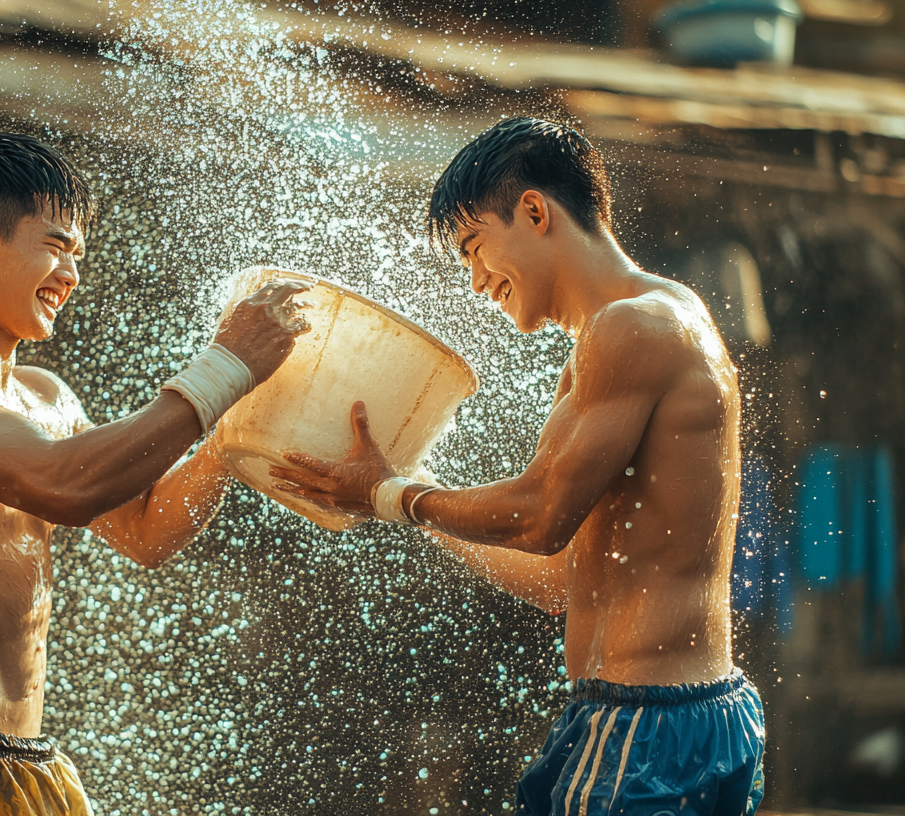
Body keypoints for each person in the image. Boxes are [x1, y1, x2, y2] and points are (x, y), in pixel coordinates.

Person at [271, 117, 765, 815]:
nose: (476, 283)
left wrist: (392, 492)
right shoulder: (640, 327)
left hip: (646, 725)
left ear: (535, 211)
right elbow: (558, 578)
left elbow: (539, 517)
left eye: (476, 248)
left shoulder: (633, 328)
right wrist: (406, 500)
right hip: (672, 713)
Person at [0, 132, 309, 816]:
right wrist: (225, 368)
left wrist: (234, 429)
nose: (71, 276)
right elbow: (64, 487)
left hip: (32, 759)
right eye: (58, 247)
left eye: (77, 257)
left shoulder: (47, 396)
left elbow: (144, 530)